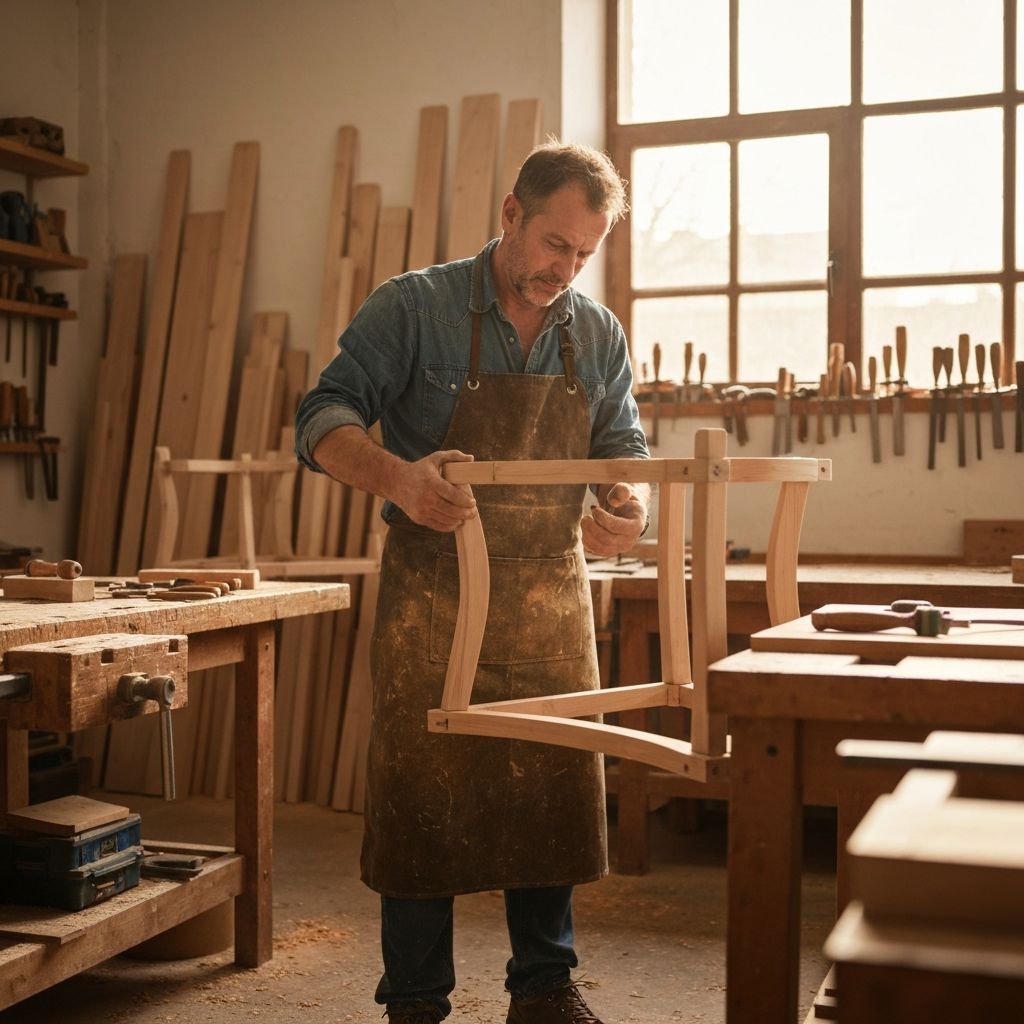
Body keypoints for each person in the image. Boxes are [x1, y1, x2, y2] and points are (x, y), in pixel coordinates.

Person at [295, 140, 650, 1024]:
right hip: (434, 596)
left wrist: (625, 501)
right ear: (510, 216)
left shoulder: (594, 332)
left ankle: (544, 987)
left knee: (554, 785)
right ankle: (415, 1001)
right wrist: (399, 479)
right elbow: (320, 416)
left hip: (550, 600)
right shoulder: (413, 307)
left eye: (583, 255)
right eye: (553, 245)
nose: (563, 270)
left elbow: (625, 449)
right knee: (423, 794)